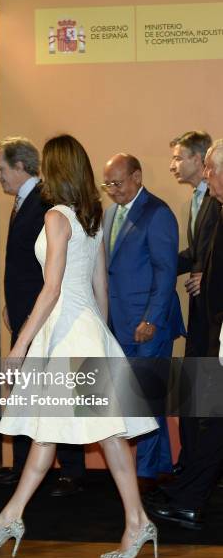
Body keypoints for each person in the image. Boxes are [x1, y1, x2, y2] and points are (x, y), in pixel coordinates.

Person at [0, 135, 158, 558]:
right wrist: (102, 336)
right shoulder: (91, 216)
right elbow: (101, 285)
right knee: (78, 435)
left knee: (81, 434)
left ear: (54, 168)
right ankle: (14, 518)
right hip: (86, 329)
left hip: (67, 334)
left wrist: (18, 345)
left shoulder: (56, 216)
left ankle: (134, 522)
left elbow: (51, 289)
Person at [0, 136, 86, 496]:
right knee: (25, 394)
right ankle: (21, 466)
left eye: (1, 168)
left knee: (54, 393)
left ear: (20, 166)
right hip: (24, 310)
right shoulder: (22, 202)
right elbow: (20, 262)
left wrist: (30, 312)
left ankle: (72, 471)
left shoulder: (49, 202)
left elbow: (50, 269)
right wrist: (10, 303)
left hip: (44, 313)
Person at [144, 139, 223, 528]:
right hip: (209, 327)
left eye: (211, 167)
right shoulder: (211, 204)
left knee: (210, 416)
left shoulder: (215, 205)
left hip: (215, 328)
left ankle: (190, 494)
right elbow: (199, 253)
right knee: (205, 414)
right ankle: (189, 489)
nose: (207, 175)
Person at [102, 154, 185, 482]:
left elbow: (166, 272)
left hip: (149, 325)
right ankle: (161, 465)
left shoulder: (157, 213)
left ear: (137, 176)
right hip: (120, 323)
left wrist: (151, 319)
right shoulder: (109, 214)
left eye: (117, 183)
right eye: (107, 184)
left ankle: (147, 473)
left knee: (146, 399)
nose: (112, 190)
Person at [169, 131, 221, 474]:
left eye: (178, 157)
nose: (173, 165)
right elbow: (195, 253)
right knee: (195, 391)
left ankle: (200, 473)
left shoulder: (217, 199)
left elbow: (213, 254)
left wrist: (210, 274)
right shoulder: (197, 200)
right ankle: (193, 469)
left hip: (213, 313)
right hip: (201, 312)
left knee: (207, 393)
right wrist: (154, 267)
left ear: (201, 160)